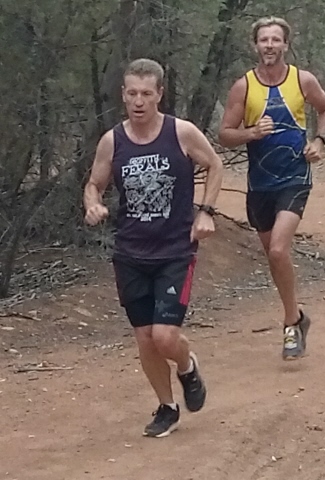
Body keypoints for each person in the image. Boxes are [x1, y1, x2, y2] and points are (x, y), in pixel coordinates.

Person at [83, 58, 224, 437]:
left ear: (160, 94)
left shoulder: (181, 132)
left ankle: (187, 367)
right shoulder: (113, 140)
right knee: (144, 337)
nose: (139, 101)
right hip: (130, 253)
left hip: (175, 250)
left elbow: (214, 164)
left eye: (146, 93)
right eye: (132, 93)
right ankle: (167, 407)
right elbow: (94, 183)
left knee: (164, 336)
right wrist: (93, 204)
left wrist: (206, 212)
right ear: (123, 95)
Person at [218, 16, 325, 360]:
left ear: (285, 44)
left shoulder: (302, 80)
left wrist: (319, 140)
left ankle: (289, 324)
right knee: (274, 255)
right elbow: (224, 135)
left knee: (279, 250)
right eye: (264, 40)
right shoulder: (243, 87)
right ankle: (297, 315)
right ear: (255, 45)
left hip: (295, 177)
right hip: (260, 184)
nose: (269, 45)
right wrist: (251, 133)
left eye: (275, 40)